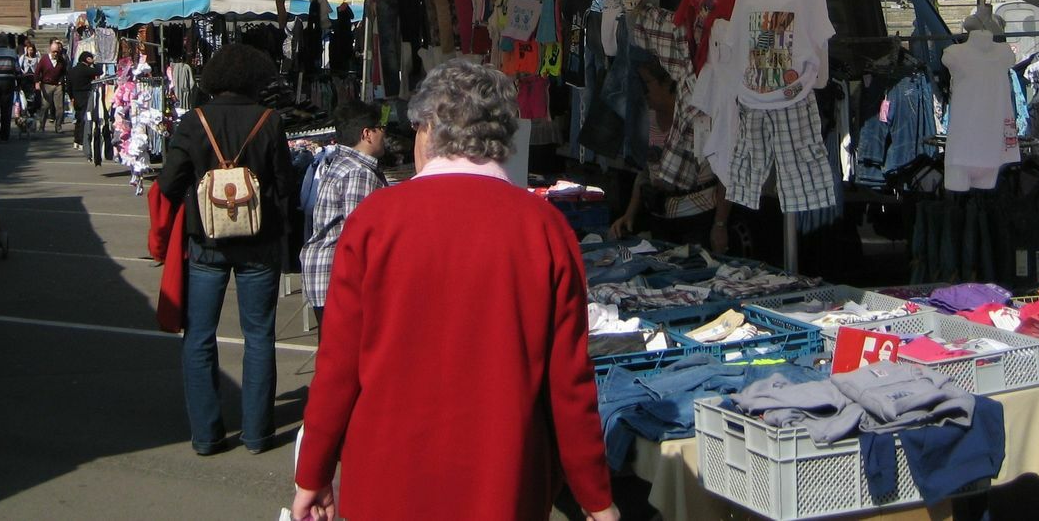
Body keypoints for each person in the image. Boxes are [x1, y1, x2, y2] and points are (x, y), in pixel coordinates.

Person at [293, 59, 618, 521]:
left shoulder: (375, 220)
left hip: (387, 481)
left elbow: (337, 368)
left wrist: (313, 472)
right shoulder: (543, 229)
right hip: (502, 482)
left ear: (428, 128)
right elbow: (569, 385)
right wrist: (595, 497)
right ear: (504, 136)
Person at [158, 43, 292, 457]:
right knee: (258, 336)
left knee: (199, 337)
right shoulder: (270, 121)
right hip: (259, 242)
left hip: (207, 242)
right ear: (256, 78)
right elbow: (284, 189)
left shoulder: (194, 121)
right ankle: (258, 434)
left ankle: (207, 435)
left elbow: (167, 184)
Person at [609, 56, 723, 250]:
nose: (644, 92)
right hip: (660, 219)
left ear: (668, 83)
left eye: (648, 84)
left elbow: (725, 178)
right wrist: (629, 214)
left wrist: (720, 225)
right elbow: (645, 172)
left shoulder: (700, 119)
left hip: (698, 219)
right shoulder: (649, 119)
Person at [298, 100, 386, 328]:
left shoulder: (341, 163)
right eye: (380, 127)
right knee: (345, 355)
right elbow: (361, 234)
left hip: (326, 274)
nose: (384, 133)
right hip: (337, 277)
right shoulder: (359, 172)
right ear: (367, 134)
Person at [66, 49, 98, 152]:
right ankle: (81, 141)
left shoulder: (72, 70)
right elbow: (99, 71)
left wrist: (71, 96)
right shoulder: (86, 69)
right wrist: (95, 63)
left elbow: (68, 86)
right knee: (84, 118)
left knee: (78, 118)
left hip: (75, 95)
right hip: (85, 95)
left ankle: (76, 140)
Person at [36, 39, 69, 133]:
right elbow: (37, 71)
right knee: (45, 106)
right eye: (54, 52)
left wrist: (61, 81)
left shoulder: (61, 60)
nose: (56, 54)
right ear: (51, 51)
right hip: (46, 84)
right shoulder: (44, 59)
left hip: (57, 85)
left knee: (59, 107)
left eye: (57, 52)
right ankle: (41, 126)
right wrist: (37, 82)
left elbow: (64, 72)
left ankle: (58, 126)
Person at [17, 40, 41, 130]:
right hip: (25, 79)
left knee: (34, 96)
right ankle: (26, 112)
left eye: (32, 50)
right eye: (29, 50)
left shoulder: (37, 58)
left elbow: (39, 68)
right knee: (25, 97)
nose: (30, 51)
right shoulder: (23, 57)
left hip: (34, 79)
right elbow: (19, 67)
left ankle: (32, 111)